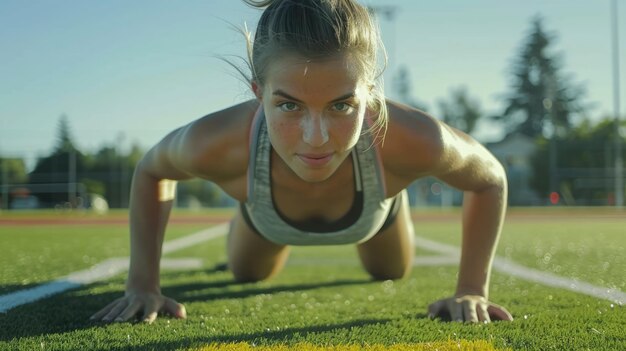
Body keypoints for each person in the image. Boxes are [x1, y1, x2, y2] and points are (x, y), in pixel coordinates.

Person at [90, 0, 513, 324]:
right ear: (259, 92)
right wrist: (142, 283)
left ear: (370, 93)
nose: (316, 138)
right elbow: (151, 170)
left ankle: (390, 206)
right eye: (290, 106)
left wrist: (472, 289)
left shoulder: (411, 140)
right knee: (248, 277)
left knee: (391, 273)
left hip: (374, 216)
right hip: (265, 218)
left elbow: (490, 178)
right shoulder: (218, 144)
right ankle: (246, 213)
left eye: (342, 105)